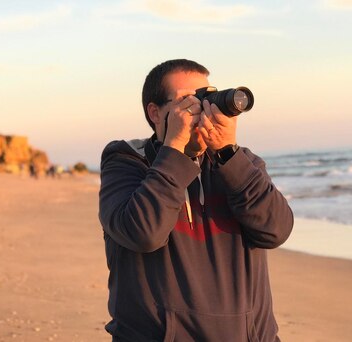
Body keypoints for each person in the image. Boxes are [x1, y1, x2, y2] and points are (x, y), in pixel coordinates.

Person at [98, 59, 293, 341]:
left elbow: (276, 229)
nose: (202, 109)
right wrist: (176, 149)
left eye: (207, 97)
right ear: (155, 112)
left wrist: (227, 153)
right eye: (188, 102)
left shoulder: (240, 163)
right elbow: (143, 233)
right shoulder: (127, 161)